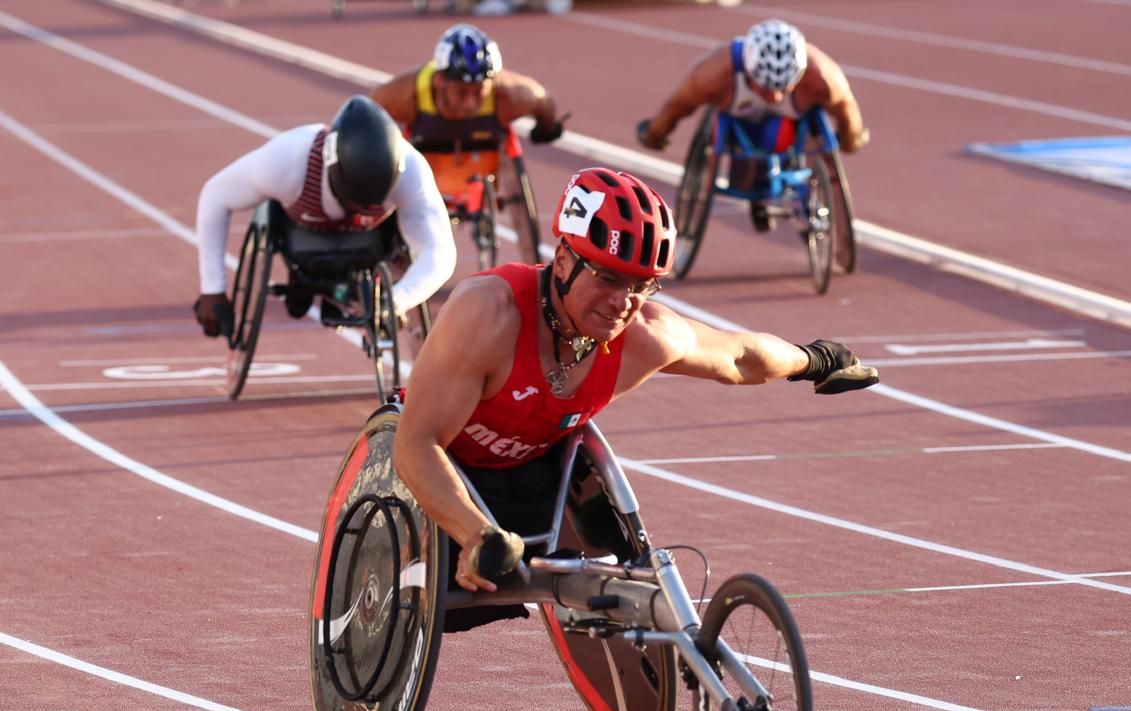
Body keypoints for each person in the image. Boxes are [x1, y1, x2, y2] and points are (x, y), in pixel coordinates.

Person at [391, 167, 876, 625]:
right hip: (439, 471)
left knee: (616, 537)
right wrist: (474, 534)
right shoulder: (487, 314)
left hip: (537, 474)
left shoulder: (646, 336)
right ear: (562, 261)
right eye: (608, 277)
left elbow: (741, 357)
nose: (623, 301)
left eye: (642, 285)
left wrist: (815, 359)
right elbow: (416, 443)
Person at [193, 95, 456, 337]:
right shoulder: (284, 160)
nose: (360, 205)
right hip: (302, 231)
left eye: (372, 198)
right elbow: (215, 195)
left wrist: (396, 299)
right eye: (356, 197)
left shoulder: (411, 171)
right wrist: (212, 289)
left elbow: (438, 252)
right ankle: (302, 282)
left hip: (372, 240)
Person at [636, 18, 868, 232]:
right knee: (745, 145)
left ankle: (775, 190)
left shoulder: (823, 77)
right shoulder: (713, 73)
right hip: (741, 128)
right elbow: (677, 105)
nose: (776, 97)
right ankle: (757, 193)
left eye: (784, 87)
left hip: (789, 130)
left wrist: (851, 139)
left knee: (788, 129)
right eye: (767, 89)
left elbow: (847, 108)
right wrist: (656, 133)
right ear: (748, 71)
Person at [369, 24, 564, 263]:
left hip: (481, 160)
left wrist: (546, 128)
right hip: (426, 157)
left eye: (479, 91)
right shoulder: (406, 94)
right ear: (440, 80)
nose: (471, 103)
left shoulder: (511, 94)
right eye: (462, 92)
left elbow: (544, 101)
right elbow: (369, 114)